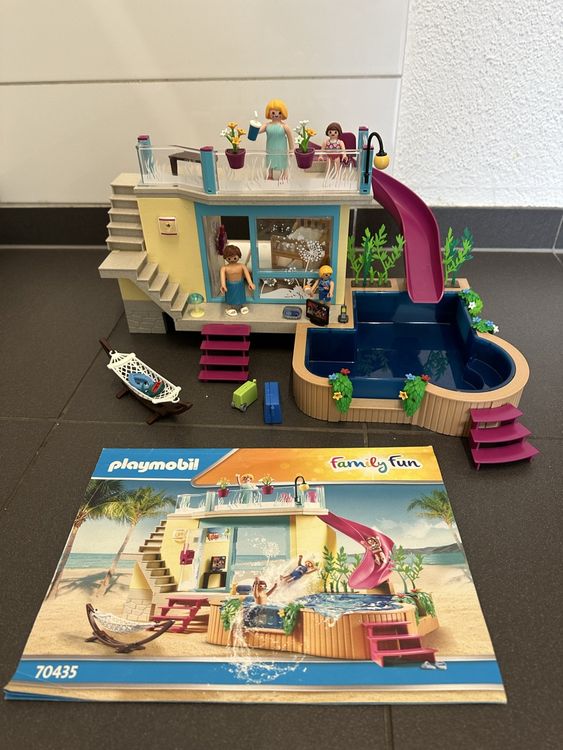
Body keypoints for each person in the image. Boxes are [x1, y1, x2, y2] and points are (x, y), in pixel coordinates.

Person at [258, 99, 294, 180]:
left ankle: (284, 173)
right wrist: (254, 126)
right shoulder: (267, 125)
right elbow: (258, 131)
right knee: (270, 160)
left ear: (283, 113)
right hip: (270, 148)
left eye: (279, 113)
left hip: (282, 149)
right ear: (269, 113)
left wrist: (291, 149)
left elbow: (290, 138)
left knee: (282, 160)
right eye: (273, 113)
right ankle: (270, 175)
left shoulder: (284, 126)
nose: (276, 115)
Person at [219, 244, 255, 316]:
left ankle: (241, 306)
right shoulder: (224, 268)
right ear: (225, 258)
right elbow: (222, 277)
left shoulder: (242, 266)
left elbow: (247, 275)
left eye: (234, 258)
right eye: (229, 258)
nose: (232, 260)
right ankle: (230, 307)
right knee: (230, 296)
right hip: (230, 285)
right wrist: (223, 285)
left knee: (240, 296)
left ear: (239, 256)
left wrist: (250, 283)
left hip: (240, 284)